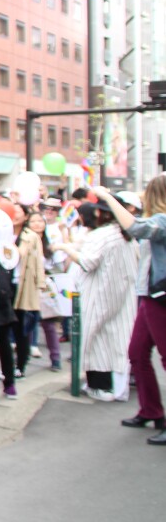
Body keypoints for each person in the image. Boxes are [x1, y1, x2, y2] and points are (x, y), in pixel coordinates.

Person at [93, 180, 166, 445]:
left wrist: (109, 197)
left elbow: (135, 227)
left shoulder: (162, 220)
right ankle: (151, 410)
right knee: (136, 353)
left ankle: (155, 413)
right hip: (150, 294)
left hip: (160, 296)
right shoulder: (157, 219)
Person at [54, 202, 138, 402]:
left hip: (98, 296)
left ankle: (100, 387)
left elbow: (87, 261)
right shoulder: (126, 235)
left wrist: (64, 247)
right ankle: (116, 388)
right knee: (117, 342)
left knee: (95, 342)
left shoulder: (102, 235)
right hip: (122, 297)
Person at [10, 204, 46, 375]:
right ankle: (9, 367)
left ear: (25, 216)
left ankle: (20, 366)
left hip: (23, 285)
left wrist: (41, 284)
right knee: (4, 329)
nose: (14, 215)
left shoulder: (30, 236)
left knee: (21, 327)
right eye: (12, 211)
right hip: (4, 284)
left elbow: (38, 262)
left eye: (19, 212)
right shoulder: (2, 232)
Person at [26, 209, 64, 371]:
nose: (37, 224)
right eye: (33, 221)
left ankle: (55, 358)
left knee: (48, 324)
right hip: (27, 285)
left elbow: (59, 266)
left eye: (40, 221)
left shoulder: (50, 245)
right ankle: (23, 358)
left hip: (45, 286)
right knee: (26, 324)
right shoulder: (24, 241)